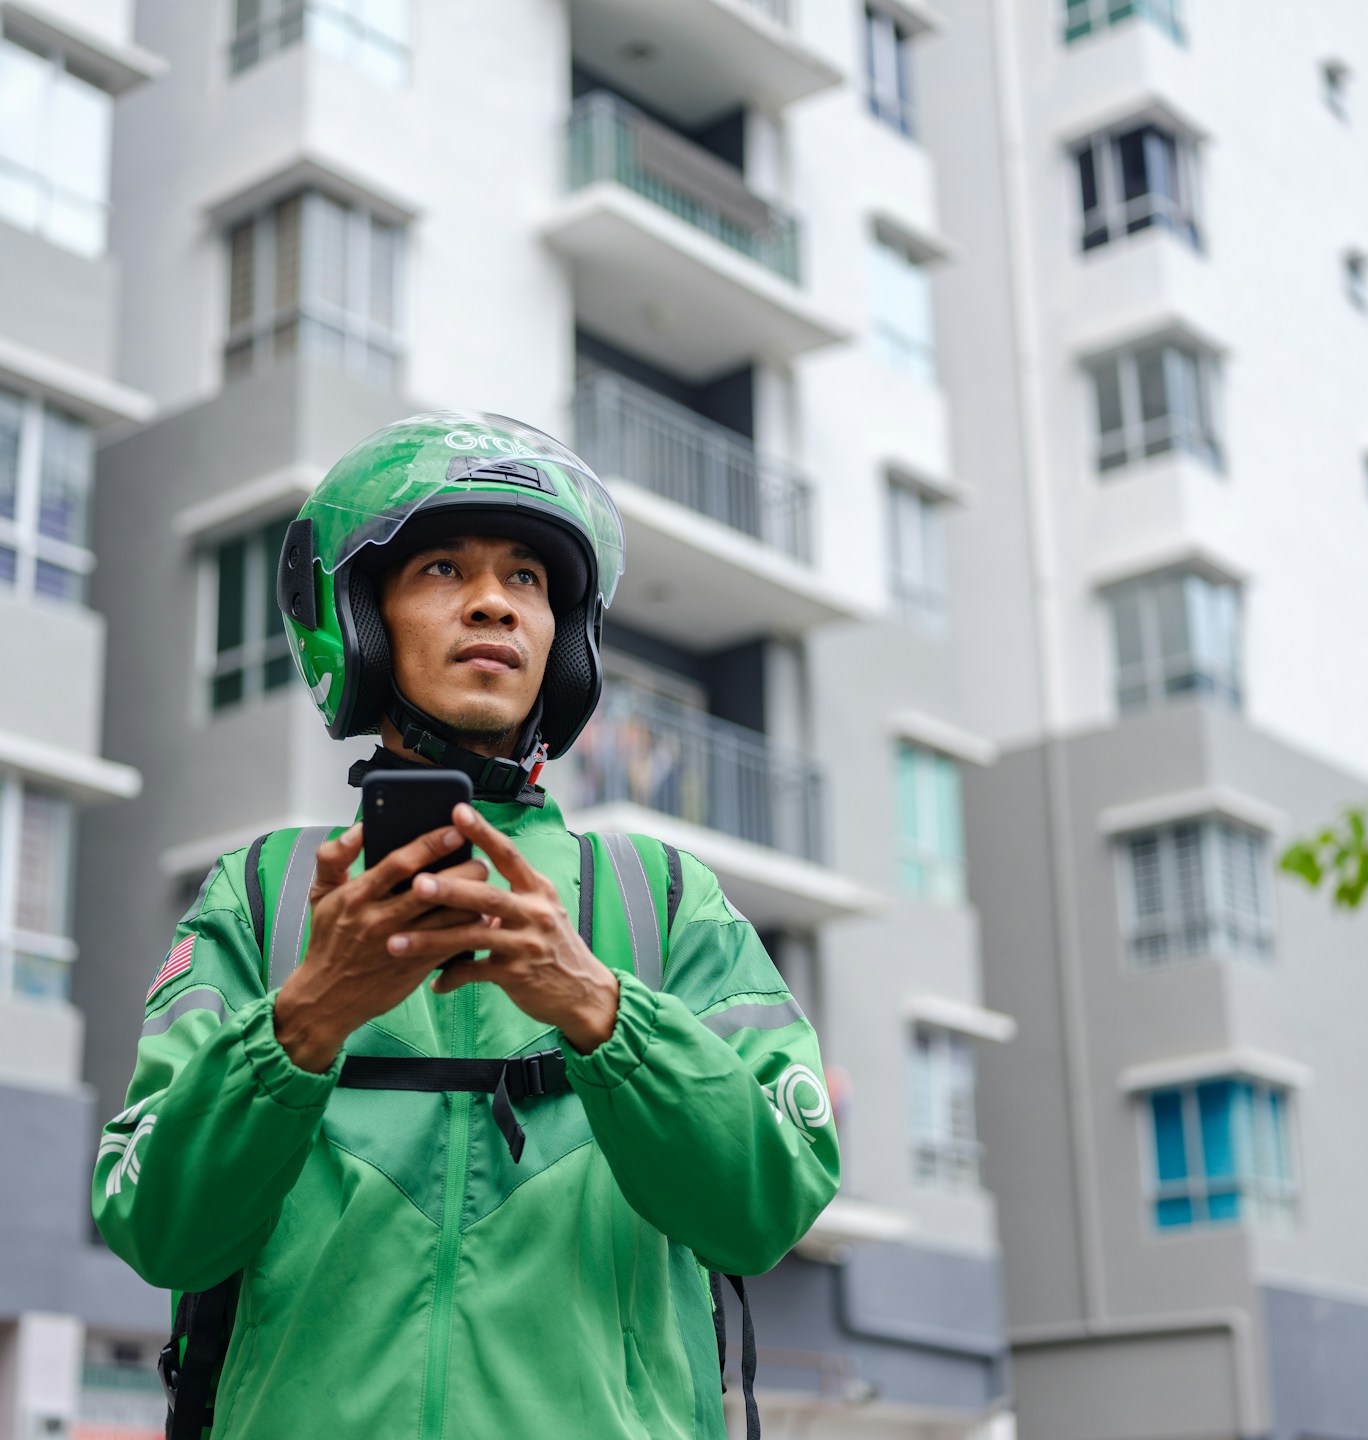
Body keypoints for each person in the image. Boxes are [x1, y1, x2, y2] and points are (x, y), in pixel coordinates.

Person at [93, 412, 840, 1440]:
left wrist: (600, 1011)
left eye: (526, 577)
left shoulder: (664, 901)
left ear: (563, 639)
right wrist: (303, 1023)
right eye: (442, 568)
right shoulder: (262, 895)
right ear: (360, 620)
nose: (494, 601)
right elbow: (155, 1228)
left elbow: (767, 1208)